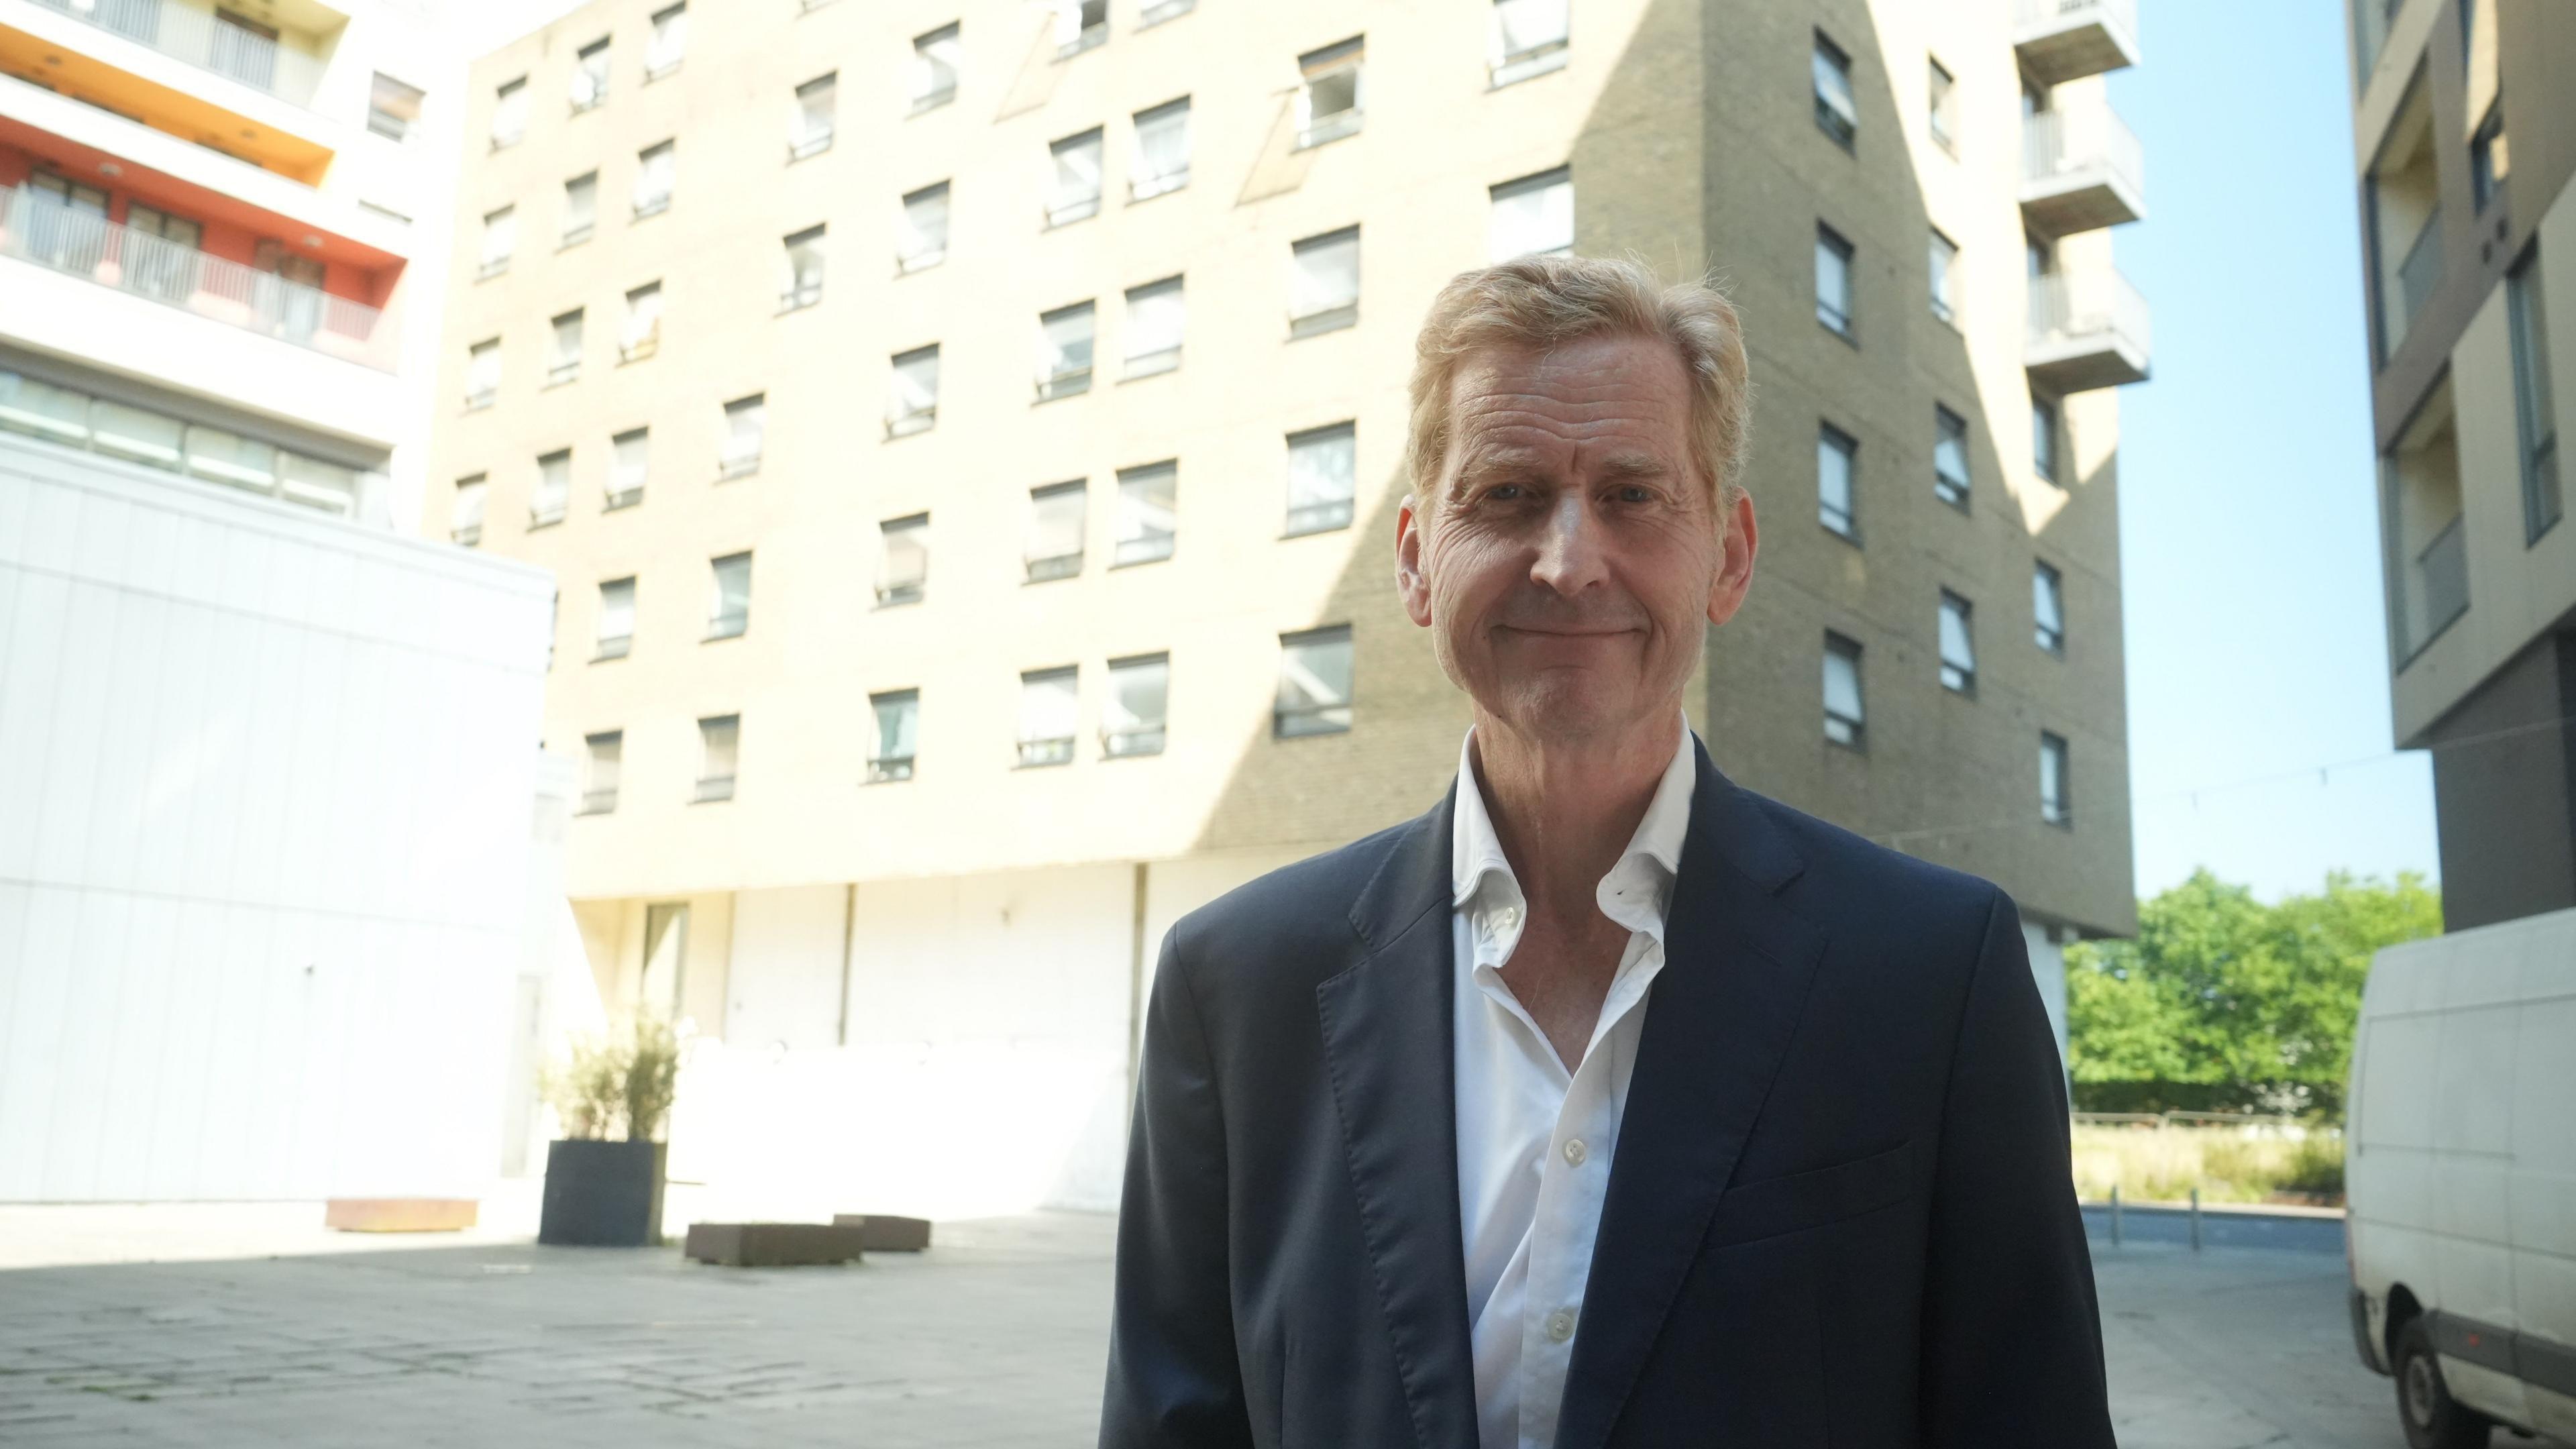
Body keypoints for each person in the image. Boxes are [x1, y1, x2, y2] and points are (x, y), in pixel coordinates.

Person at [1098, 254, 2113, 1448]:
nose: (1570, 561)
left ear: (1728, 557)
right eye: (1509, 494)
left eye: (1633, 495)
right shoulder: (1238, 985)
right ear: (1419, 562)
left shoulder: (1935, 973)